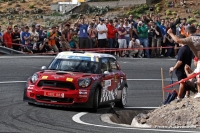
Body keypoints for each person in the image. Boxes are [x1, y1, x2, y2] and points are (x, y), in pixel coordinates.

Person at [167, 26, 200, 98]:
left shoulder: (190, 39)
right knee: (196, 75)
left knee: (195, 77)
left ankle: (197, 93)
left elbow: (178, 40)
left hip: (190, 66)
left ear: (187, 33)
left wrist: (170, 33)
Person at [169, 34, 193, 101]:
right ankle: (186, 95)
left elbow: (180, 62)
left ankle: (180, 97)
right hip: (187, 69)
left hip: (181, 70)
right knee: (186, 83)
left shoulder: (182, 49)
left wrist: (173, 68)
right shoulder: (189, 48)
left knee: (182, 84)